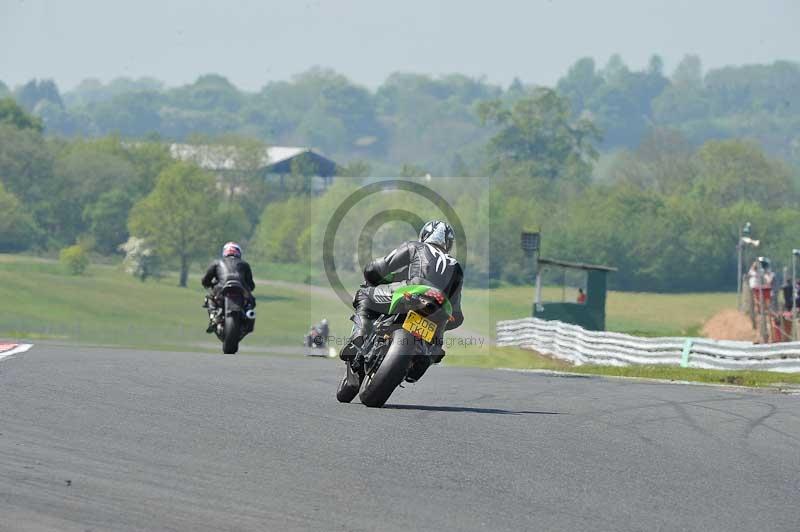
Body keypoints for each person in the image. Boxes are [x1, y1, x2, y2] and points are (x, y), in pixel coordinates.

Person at [339, 220, 464, 380]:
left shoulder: (415, 247)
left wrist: (372, 274)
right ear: (449, 243)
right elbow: (457, 314)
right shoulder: (457, 267)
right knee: (438, 342)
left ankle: (359, 338)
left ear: (425, 235)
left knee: (364, 294)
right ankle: (425, 357)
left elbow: (381, 266)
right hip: (441, 306)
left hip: (413, 291)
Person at [201, 242, 256, 333]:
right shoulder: (245, 264)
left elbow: (206, 280)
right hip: (241, 290)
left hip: (221, 289)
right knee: (251, 301)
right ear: (239, 253)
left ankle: (214, 317)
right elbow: (251, 284)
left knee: (210, 298)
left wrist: (210, 284)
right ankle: (248, 315)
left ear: (224, 252)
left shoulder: (217, 263)